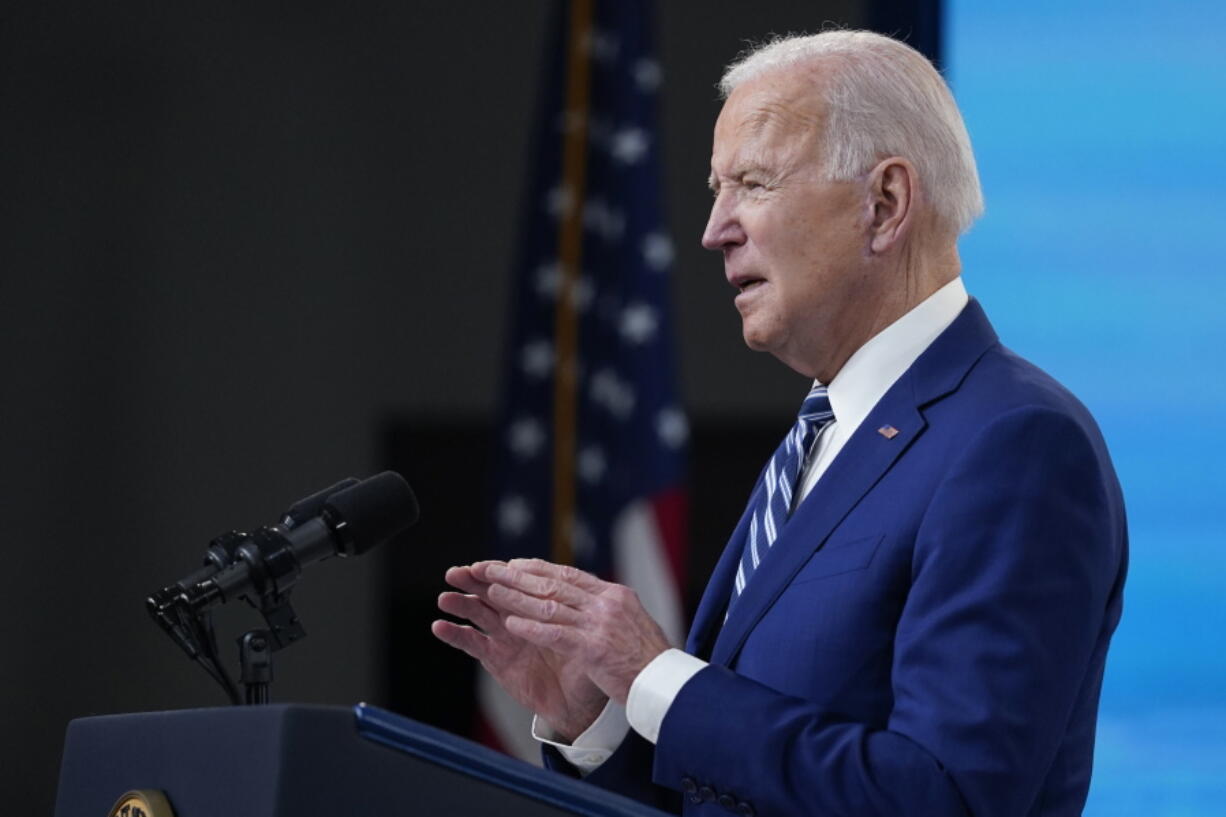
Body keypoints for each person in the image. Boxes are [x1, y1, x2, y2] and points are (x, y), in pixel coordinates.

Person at [432, 30, 1127, 817]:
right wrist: (600, 723)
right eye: (715, 188)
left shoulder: (1015, 443)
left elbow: (945, 798)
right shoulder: (826, 435)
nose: (714, 228)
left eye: (754, 183)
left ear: (886, 204)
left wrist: (657, 675)